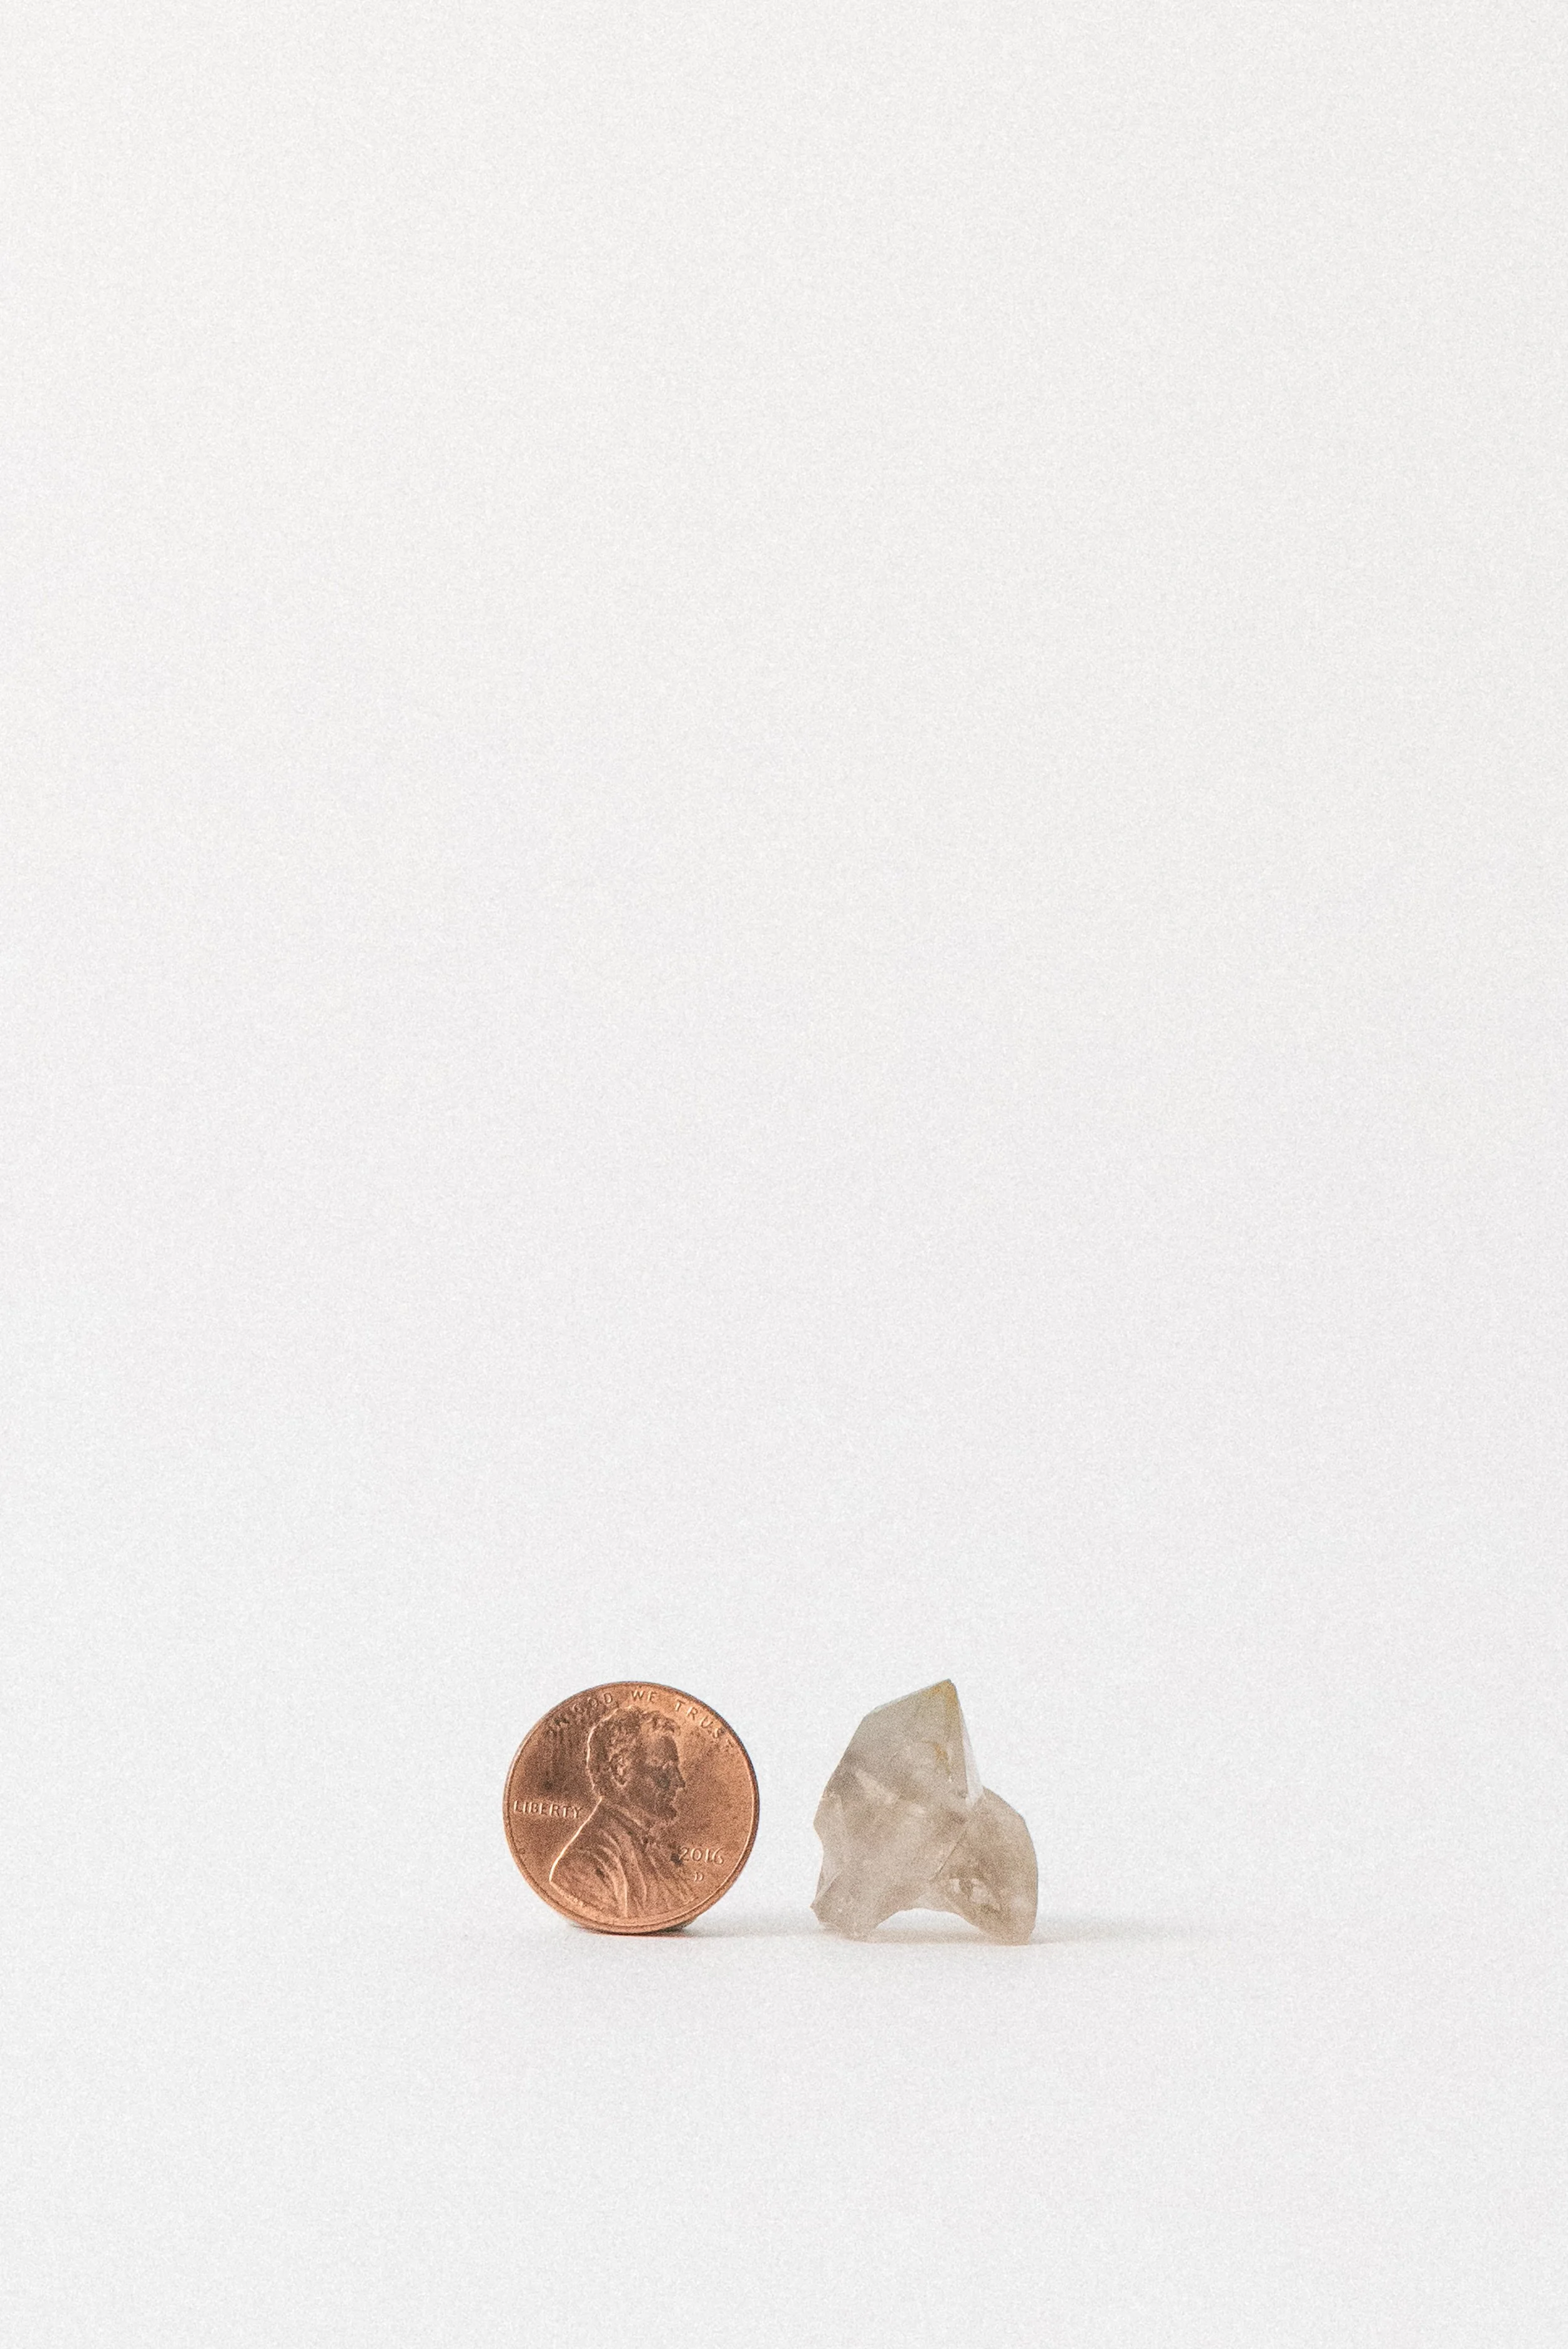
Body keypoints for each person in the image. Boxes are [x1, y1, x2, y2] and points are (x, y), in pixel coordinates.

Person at [549, 1707, 689, 1918]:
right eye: (664, 1770)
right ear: (620, 1770)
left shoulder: (653, 1848)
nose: (679, 1783)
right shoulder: (585, 1863)